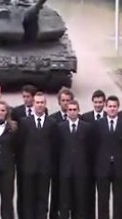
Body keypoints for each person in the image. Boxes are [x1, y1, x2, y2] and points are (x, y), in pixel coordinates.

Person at [18, 92, 58, 219]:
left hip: (45, 168)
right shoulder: (24, 122)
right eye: (37, 102)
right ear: (33, 104)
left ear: (45, 104)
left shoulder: (52, 123)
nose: (39, 105)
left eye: (42, 102)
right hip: (29, 167)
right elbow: (20, 144)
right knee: (29, 199)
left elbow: (54, 146)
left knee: (43, 198)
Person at [94, 95, 122, 219]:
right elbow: (95, 146)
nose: (112, 109)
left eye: (114, 106)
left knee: (119, 200)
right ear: (106, 107)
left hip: (120, 169)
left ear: (118, 108)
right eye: (110, 106)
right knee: (103, 200)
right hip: (103, 169)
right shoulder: (98, 124)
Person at [56, 100, 93, 219]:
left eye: (74, 110)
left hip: (81, 171)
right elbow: (57, 149)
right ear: (66, 112)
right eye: (70, 110)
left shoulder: (86, 127)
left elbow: (90, 148)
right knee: (65, 202)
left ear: (78, 111)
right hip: (65, 171)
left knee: (80, 202)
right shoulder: (60, 128)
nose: (72, 112)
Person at [79, 89, 107, 219]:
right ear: (92, 102)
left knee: (103, 196)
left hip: (103, 162)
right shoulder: (85, 117)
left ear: (104, 103)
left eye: (100, 102)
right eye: (96, 102)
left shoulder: (109, 116)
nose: (98, 105)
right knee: (88, 195)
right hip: (88, 162)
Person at [48, 87, 75, 219]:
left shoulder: (78, 120)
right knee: (56, 194)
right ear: (59, 102)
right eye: (63, 100)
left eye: (68, 100)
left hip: (73, 165)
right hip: (57, 164)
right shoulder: (52, 119)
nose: (65, 103)